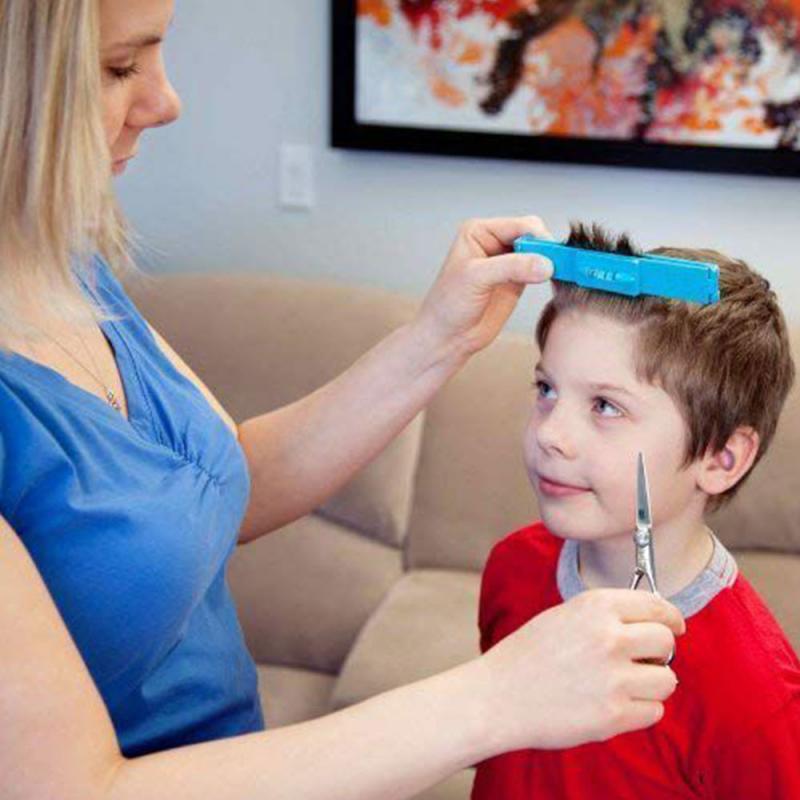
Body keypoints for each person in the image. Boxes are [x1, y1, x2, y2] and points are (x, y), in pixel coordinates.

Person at [0, 3, 684, 799]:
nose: (167, 100)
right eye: (120, 68)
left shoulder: (60, 258)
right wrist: (497, 696)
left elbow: (222, 485)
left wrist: (440, 335)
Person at [472, 223, 800, 799]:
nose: (551, 433)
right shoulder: (513, 567)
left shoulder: (756, 697)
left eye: (605, 405)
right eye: (547, 389)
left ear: (723, 457)